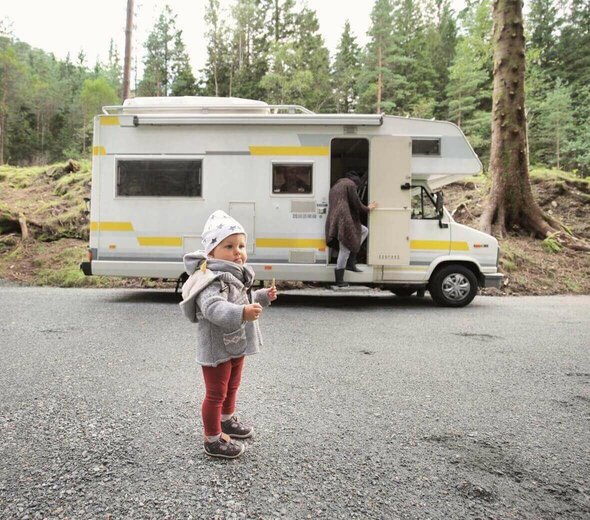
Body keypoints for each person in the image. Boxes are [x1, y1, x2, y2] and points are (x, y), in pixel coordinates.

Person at [180, 210, 278, 459]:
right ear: (211, 252)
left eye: (242, 246)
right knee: (216, 392)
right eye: (230, 246)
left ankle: (226, 420)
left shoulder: (235, 274)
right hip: (216, 349)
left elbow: (240, 300)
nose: (238, 252)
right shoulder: (211, 279)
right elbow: (214, 308)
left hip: (234, 343)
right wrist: (243, 312)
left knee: (232, 385)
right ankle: (212, 438)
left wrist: (262, 297)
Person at [325, 171, 377, 287]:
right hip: (344, 220)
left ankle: (351, 261)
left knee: (363, 231)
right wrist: (368, 208)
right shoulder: (350, 185)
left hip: (335, 219)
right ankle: (339, 279)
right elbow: (357, 203)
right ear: (356, 182)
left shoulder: (337, 186)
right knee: (345, 249)